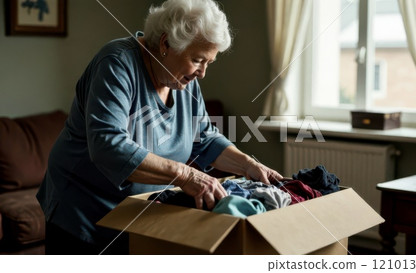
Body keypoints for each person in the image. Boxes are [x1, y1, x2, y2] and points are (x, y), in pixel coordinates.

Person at [37, 0, 282, 255]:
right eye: (198, 60)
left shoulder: (184, 82)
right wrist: (187, 175)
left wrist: (248, 165)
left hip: (139, 211)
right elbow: (107, 145)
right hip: (83, 209)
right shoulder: (117, 63)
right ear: (166, 44)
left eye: (208, 62)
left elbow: (206, 139)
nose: (203, 73)